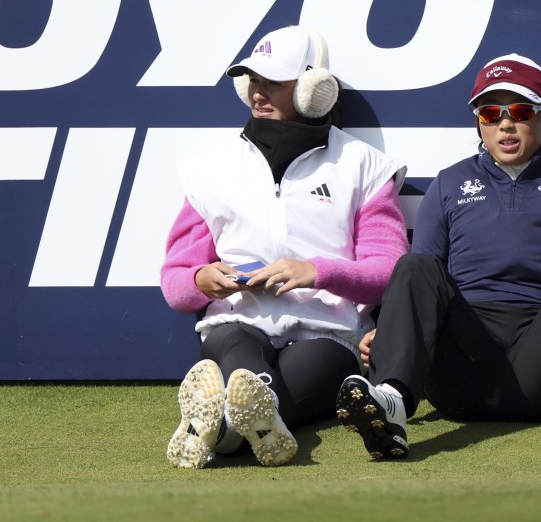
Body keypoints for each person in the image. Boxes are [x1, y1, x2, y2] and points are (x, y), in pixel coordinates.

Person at [335, 53, 541, 459]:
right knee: (414, 264)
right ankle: (392, 403)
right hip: (464, 371)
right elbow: (420, 282)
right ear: (478, 122)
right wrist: (393, 335)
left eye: (519, 111)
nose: (504, 123)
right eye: (489, 113)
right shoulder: (450, 182)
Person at [161, 25, 409, 468]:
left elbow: (388, 271)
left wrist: (317, 271)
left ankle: (219, 431)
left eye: (274, 82)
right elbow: (176, 284)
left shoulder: (366, 166)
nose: (258, 93)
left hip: (329, 333)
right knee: (240, 359)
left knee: (274, 382)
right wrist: (203, 279)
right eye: (253, 80)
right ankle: (245, 420)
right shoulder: (207, 170)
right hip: (235, 321)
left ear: (315, 90)